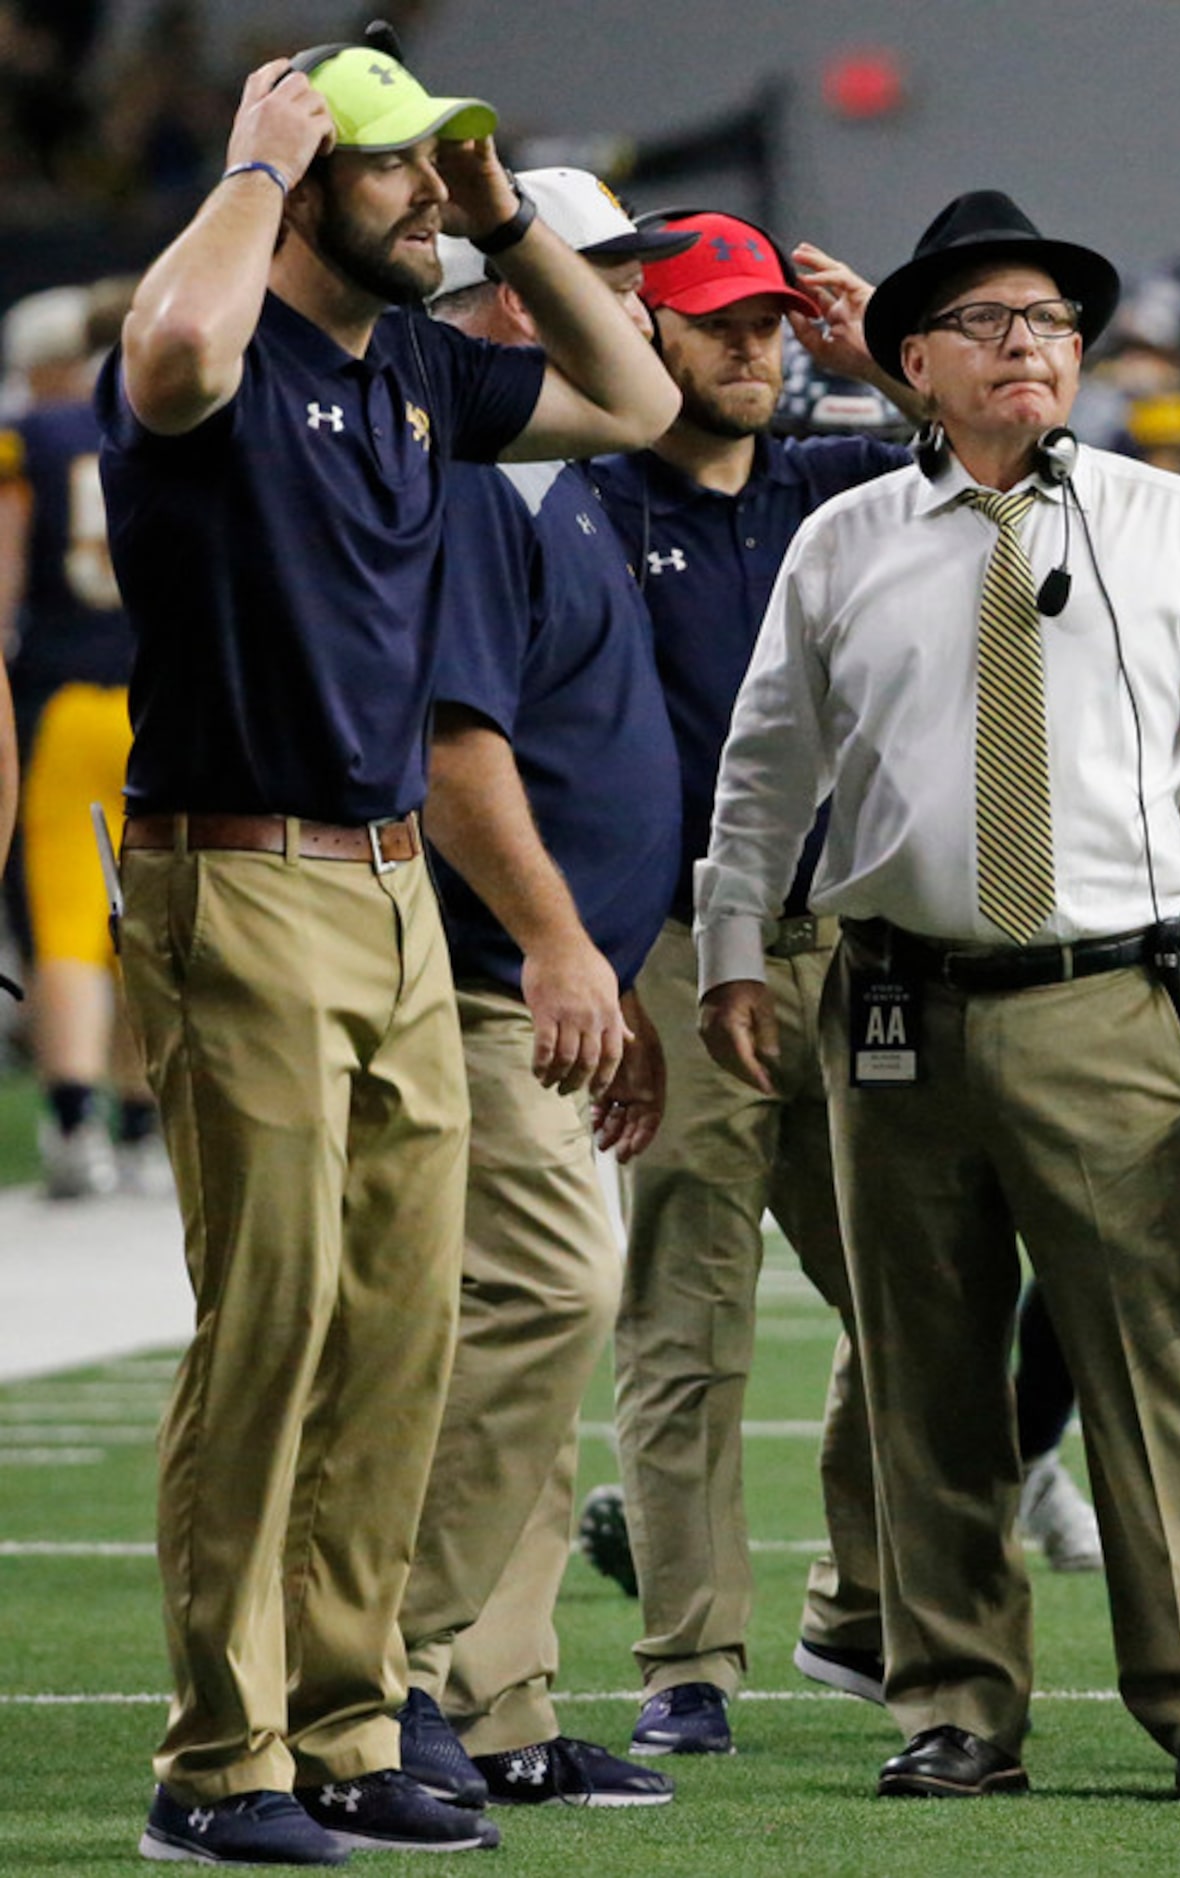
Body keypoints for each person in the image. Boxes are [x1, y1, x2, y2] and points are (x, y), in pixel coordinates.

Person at [695, 189, 1180, 1804]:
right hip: (895, 1003)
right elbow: (764, 767)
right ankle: (954, 1702)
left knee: (1151, 1355)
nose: (1029, 350)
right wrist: (728, 946)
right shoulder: (840, 539)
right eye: (988, 325)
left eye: (1051, 324)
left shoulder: (1174, 520)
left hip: (1111, 993)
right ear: (909, 360)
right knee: (926, 1371)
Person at [102, 36, 677, 1864]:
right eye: (399, 169)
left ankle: (353, 1721)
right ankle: (219, 1760)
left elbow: (638, 396)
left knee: (402, 1330)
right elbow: (174, 353)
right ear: (306, 178)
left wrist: (510, 216)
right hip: (238, 870)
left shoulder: (422, 357)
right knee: (271, 1325)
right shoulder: (221, 342)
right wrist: (255, 164)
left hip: (388, 884)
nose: (429, 193)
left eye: (445, 170)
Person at [381, 166, 692, 1818]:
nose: (633, 306)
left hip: (556, 973)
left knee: (540, 1345)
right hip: (486, 977)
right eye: (609, 277)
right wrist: (563, 945)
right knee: (537, 1304)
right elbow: (456, 745)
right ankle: (398, 1671)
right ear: (515, 302)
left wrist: (612, 961)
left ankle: (497, 1700)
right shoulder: (477, 487)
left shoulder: (554, 477)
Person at [588, 209, 911, 1756]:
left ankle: (856, 1601)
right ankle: (686, 1657)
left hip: (846, 935)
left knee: (914, 1291)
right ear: (642, 332)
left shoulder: (836, 480)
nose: (753, 347)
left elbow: (1011, 469)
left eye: (771, 322)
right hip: (669, 943)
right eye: (718, 320)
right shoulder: (583, 501)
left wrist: (891, 369)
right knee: (686, 1313)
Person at [0, 279, 159, 1199]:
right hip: (158, 699)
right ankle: (141, 1123)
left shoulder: (32, 439)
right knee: (145, 920)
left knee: (66, 918)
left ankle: (73, 1122)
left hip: (63, 700)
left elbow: (6, 586)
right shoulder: (158, 413)